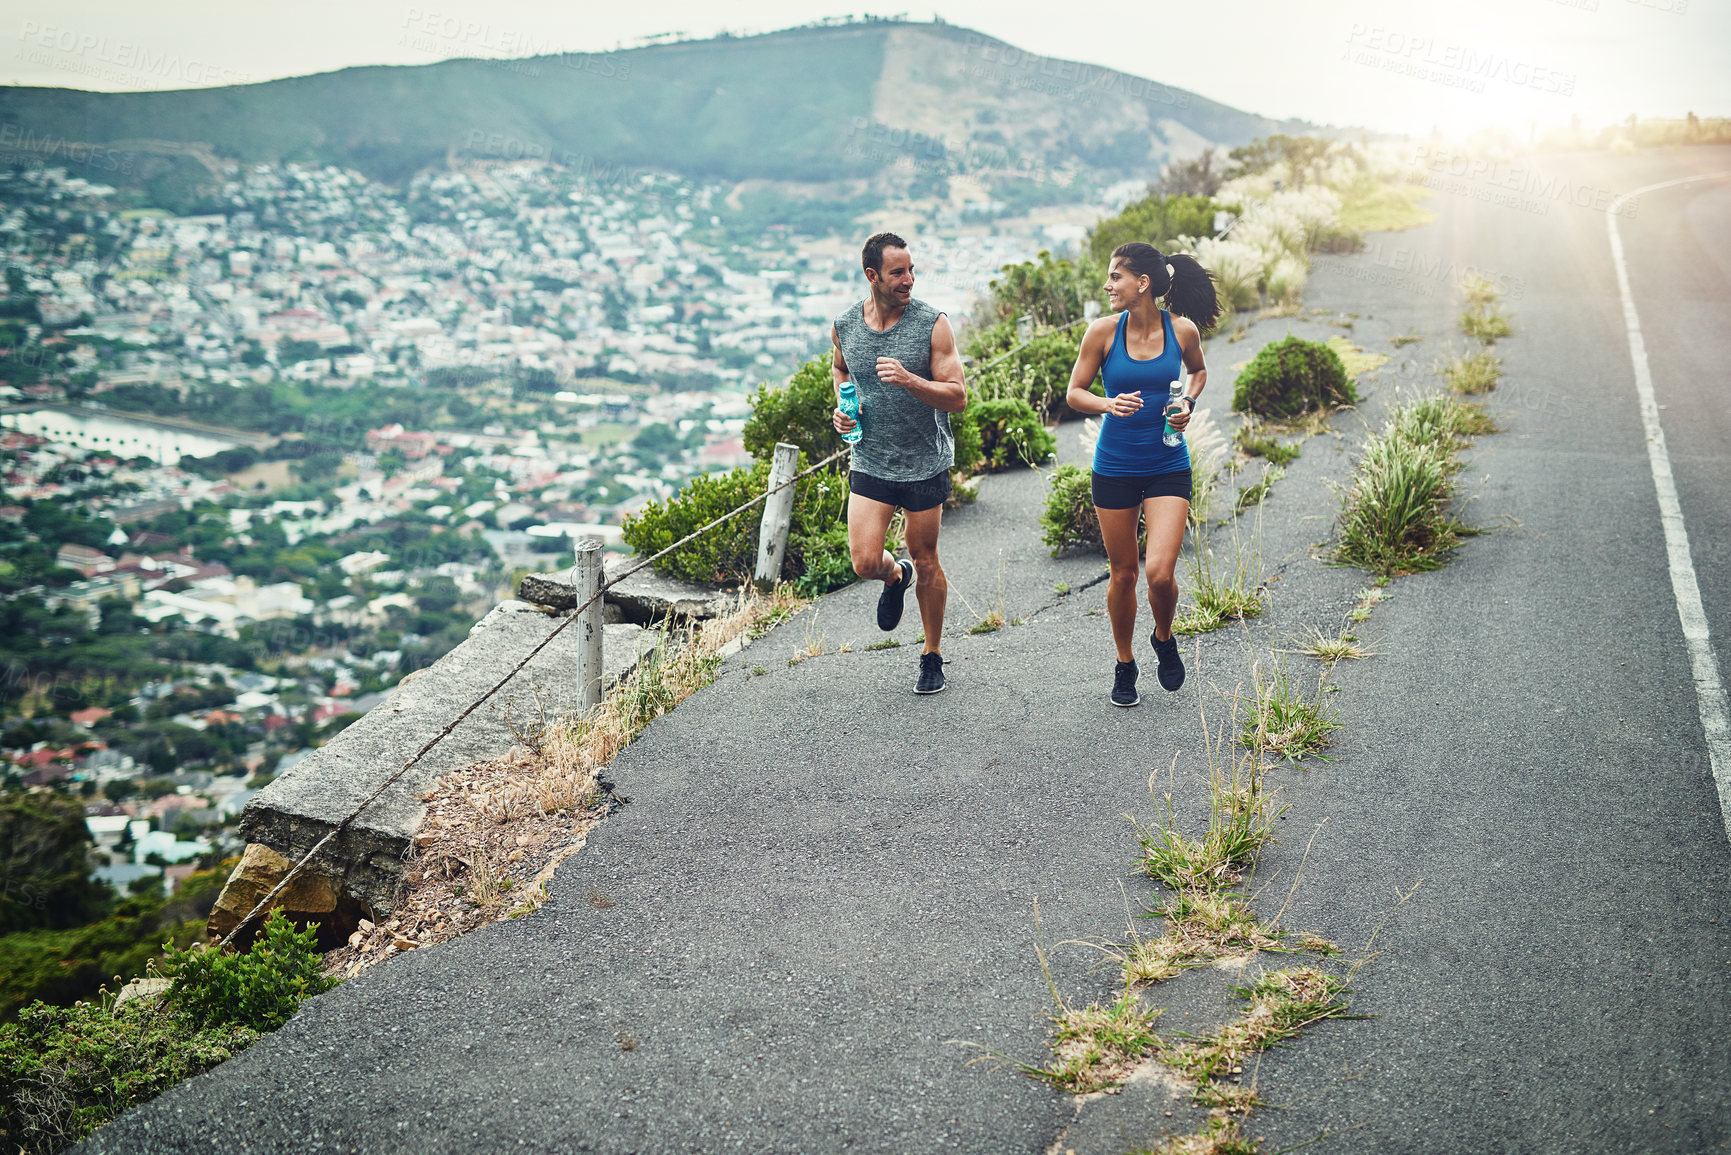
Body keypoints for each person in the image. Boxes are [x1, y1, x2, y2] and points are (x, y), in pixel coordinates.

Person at [1064, 242, 1220, 707]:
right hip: (1114, 468)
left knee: (1159, 573)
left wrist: (1187, 403)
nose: (1108, 285)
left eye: (1116, 277)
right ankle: (1125, 662)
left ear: (1142, 284)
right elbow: (1074, 393)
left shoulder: (1182, 330)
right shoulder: (1102, 333)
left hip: (1168, 463)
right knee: (1123, 574)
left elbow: (1198, 372)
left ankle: (1164, 636)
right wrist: (1107, 403)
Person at [830, 231, 968, 695]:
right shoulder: (846, 325)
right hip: (870, 456)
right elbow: (842, 368)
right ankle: (895, 575)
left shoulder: (932, 324)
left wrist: (911, 380)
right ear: (873, 276)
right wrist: (843, 406)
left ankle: (932, 655)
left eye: (911, 270)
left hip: (924, 462)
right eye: (897, 273)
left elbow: (958, 398)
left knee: (927, 558)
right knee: (865, 561)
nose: (908, 279)